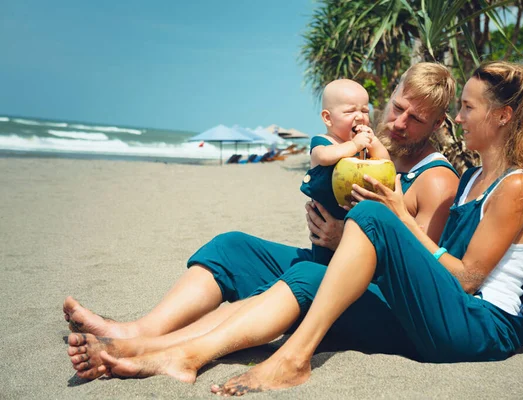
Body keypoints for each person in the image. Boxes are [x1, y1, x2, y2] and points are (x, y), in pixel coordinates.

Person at [64, 62, 460, 380]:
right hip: (324, 263)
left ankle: (173, 354)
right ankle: (138, 331)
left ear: (438, 126)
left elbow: (416, 276)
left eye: (416, 119)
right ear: (389, 96)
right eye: (397, 107)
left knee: (302, 275)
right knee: (231, 245)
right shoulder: (366, 146)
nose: (399, 122)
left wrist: (346, 239)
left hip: (371, 298)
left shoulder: (436, 179)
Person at [301, 78, 389, 263]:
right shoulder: (322, 142)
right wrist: (355, 144)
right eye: (350, 111)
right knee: (326, 265)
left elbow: (385, 161)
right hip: (326, 221)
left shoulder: (362, 144)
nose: (360, 116)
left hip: (353, 218)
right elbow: (324, 157)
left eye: (365, 110)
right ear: (327, 118)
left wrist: (374, 142)